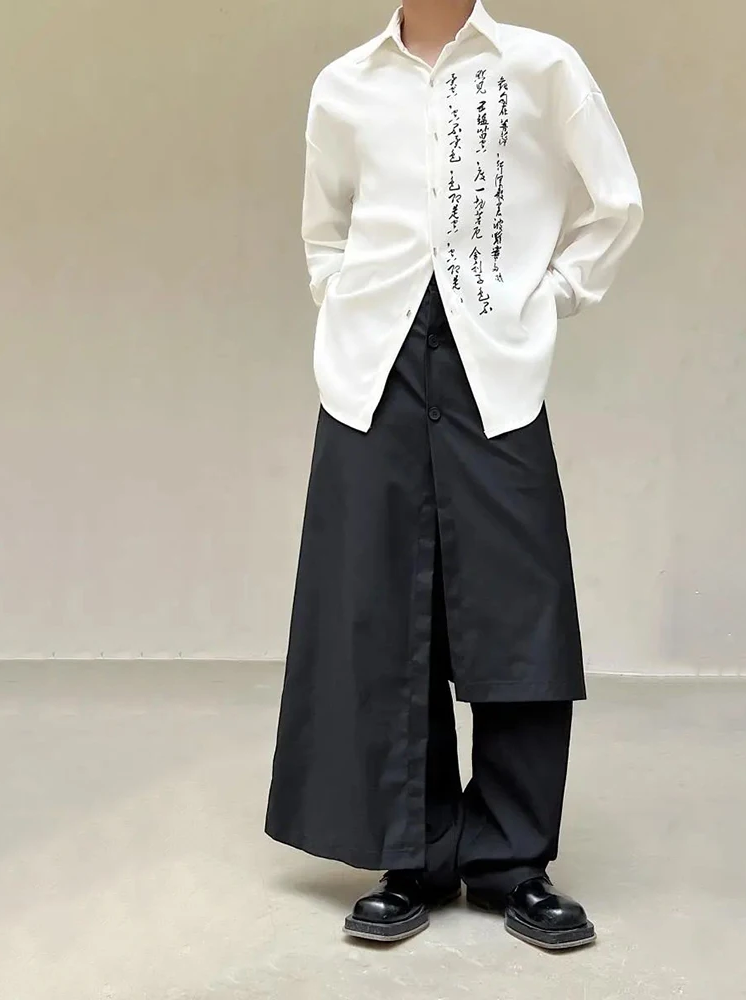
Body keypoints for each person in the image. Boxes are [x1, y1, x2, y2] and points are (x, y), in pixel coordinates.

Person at [266, 0, 642, 951]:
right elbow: (324, 233)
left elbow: (615, 202)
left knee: (520, 603)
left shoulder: (542, 66)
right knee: (383, 607)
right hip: (375, 374)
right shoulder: (344, 86)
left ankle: (515, 861)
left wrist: (546, 299)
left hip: (492, 367)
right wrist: (350, 310)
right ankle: (415, 858)